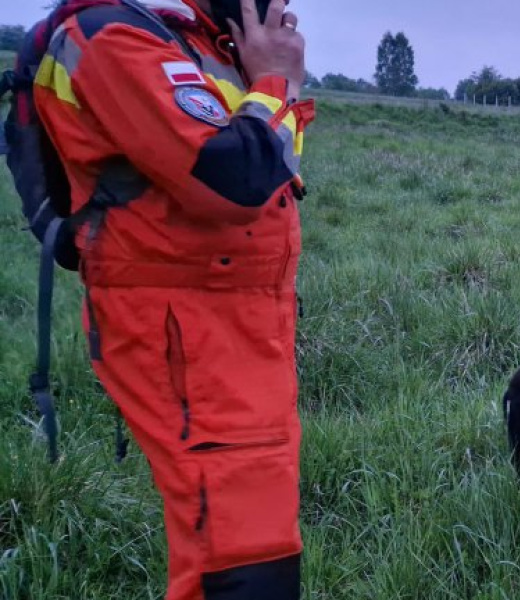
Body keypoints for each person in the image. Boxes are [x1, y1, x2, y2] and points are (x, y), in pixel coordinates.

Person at [31, 0, 313, 597]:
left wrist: (266, 81)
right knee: (241, 565)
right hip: (187, 332)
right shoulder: (112, 36)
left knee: (251, 552)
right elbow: (233, 180)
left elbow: (268, 171)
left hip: (243, 324)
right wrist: (277, 82)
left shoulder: (208, 46)